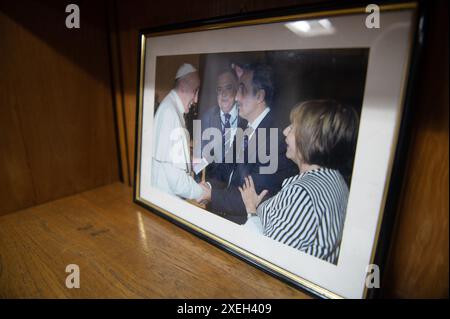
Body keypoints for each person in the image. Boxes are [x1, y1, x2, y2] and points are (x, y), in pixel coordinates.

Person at [238, 100, 359, 265]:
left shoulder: (302, 195)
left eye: (293, 128)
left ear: (313, 140)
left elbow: (265, 259)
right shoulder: (336, 180)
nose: (285, 130)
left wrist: (252, 210)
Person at [198, 63, 297, 224]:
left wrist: (211, 195)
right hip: (221, 215)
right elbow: (225, 170)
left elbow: (251, 196)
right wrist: (207, 185)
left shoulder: (276, 140)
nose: (236, 97)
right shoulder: (244, 126)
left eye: (242, 90)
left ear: (259, 96)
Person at [151, 63, 206, 201]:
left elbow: (169, 159)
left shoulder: (170, 107)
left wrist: (188, 160)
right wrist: (202, 193)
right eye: (195, 91)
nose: (196, 100)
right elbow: (177, 182)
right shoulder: (170, 113)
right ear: (183, 86)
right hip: (166, 200)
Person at [199, 68, 247, 181]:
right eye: (219, 89)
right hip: (213, 182)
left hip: (238, 182)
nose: (223, 94)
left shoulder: (245, 116)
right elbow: (202, 157)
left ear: (236, 90)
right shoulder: (207, 118)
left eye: (228, 88)